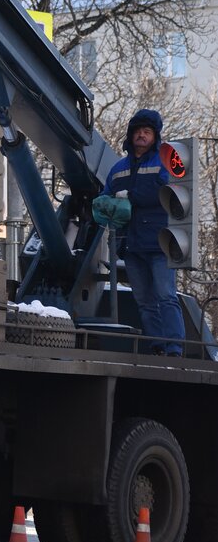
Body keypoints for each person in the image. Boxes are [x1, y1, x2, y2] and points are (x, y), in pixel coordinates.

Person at [94, 108, 185, 356]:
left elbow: (170, 193)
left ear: (155, 136)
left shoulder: (166, 161)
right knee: (145, 302)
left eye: (147, 132)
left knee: (166, 296)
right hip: (132, 245)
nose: (142, 136)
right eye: (138, 132)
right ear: (131, 135)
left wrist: (129, 197)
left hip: (160, 243)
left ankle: (175, 349)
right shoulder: (118, 168)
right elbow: (105, 197)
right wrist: (103, 205)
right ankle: (158, 347)